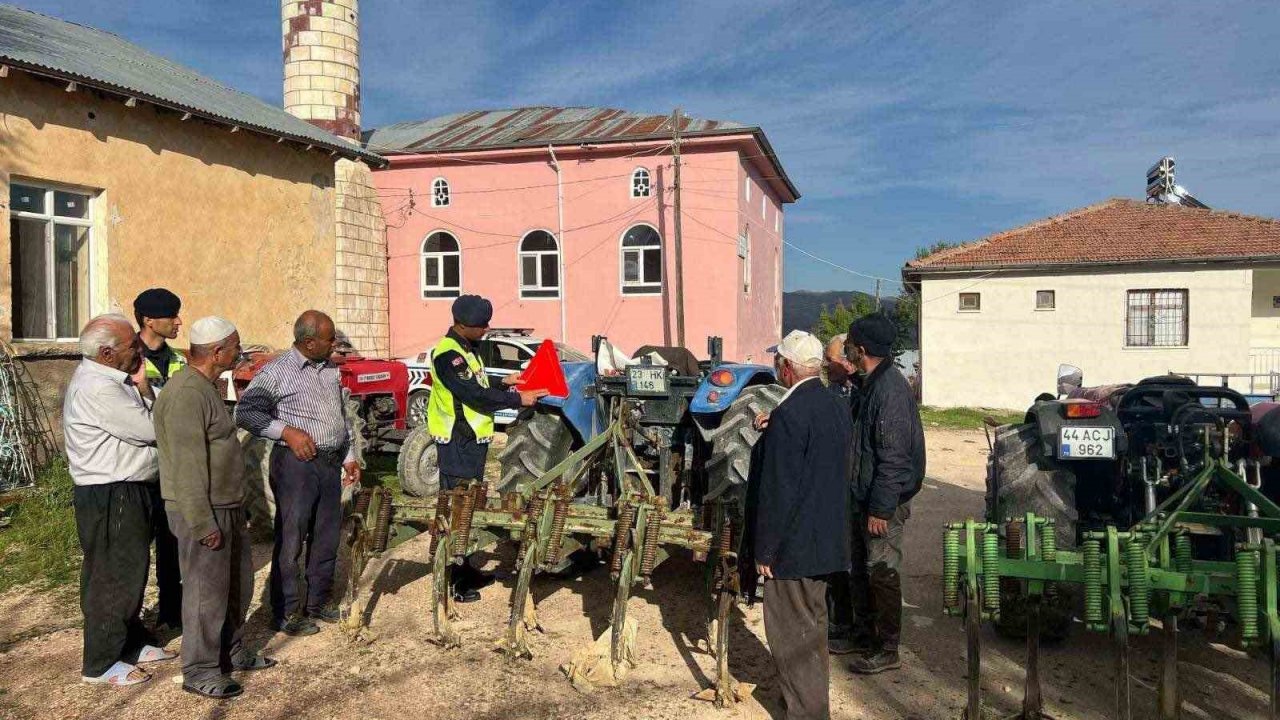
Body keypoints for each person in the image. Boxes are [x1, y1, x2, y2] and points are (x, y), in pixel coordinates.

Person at [155, 317, 275, 699]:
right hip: (203, 509)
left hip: (227, 504)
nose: (240, 353)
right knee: (206, 591)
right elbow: (187, 467)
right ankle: (200, 669)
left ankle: (231, 650)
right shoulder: (186, 394)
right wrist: (203, 522)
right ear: (218, 351)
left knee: (236, 583)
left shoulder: (205, 388)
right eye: (236, 346)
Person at [64, 314, 176, 687]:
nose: (139, 349)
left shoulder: (116, 378)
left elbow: (153, 411)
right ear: (108, 353)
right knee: (114, 576)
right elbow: (152, 428)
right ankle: (100, 661)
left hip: (129, 489)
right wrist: (148, 397)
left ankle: (130, 641)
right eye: (133, 345)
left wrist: (144, 389)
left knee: (130, 571)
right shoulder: (98, 388)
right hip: (113, 492)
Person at [235, 310, 360, 636]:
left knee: (326, 538)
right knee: (291, 540)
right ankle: (286, 612)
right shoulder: (277, 372)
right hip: (296, 466)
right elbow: (246, 411)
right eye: (329, 338)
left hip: (329, 463)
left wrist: (349, 455)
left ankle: (318, 603)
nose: (335, 344)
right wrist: (286, 432)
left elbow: (341, 417)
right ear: (308, 342)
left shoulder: (329, 370)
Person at [751, 329, 853, 720]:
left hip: (792, 551)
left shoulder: (789, 416)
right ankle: (809, 705)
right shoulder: (834, 406)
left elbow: (779, 490)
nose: (776, 367)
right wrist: (772, 426)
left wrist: (765, 550)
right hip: (826, 542)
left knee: (792, 638)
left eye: (779, 362)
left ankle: (807, 714)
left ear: (788, 368)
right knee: (813, 630)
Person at [427, 295, 547, 601]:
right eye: (481, 326)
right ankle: (455, 583)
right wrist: (518, 399)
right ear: (463, 325)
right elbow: (472, 396)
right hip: (457, 443)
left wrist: (505, 384)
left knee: (470, 507)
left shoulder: (468, 350)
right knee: (458, 511)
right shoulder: (448, 355)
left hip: (472, 442)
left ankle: (466, 571)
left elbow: (479, 389)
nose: (486, 329)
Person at [843, 313, 925, 674]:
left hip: (882, 505)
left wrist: (880, 509)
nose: (846, 355)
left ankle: (887, 646)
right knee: (860, 569)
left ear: (861, 350)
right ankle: (863, 635)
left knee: (881, 571)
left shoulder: (889, 391)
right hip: (866, 499)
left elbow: (894, 459)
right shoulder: (872, 385)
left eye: (849, 349)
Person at [133, 287, 185, 632]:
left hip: (174, 466)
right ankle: (131, 621)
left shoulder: (179, 359)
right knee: (135, 551)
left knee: (173, 542)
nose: (179, 321)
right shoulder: (127, 359)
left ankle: (171, 613)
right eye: (172, 316)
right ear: (149, 321)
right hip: (140, 467)